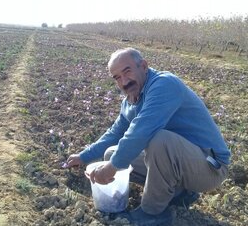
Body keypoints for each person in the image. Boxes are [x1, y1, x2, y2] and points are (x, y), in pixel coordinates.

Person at [66, 48, 230, 226]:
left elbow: (140, 131)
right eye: (117, 77)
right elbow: (114, 134)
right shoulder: (130, 100)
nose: (124, 81)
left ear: (143, 66)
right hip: (182, 163)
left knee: (158, 140)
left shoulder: (164, 85)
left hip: (209, 167)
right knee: (111, 154)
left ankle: (152, 213)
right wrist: (82, 157)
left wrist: (111, 168)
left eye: (127, 71)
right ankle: (180, 193)